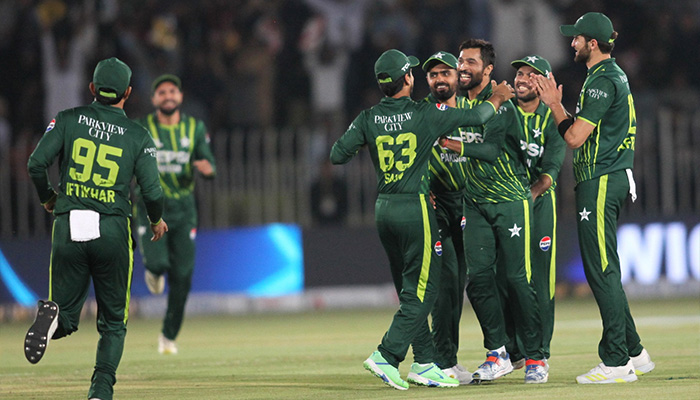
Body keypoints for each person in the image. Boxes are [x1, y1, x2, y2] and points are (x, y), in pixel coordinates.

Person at [330, 48, 513, 390]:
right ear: (409, 79)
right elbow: (479, 117)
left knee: (408, 288)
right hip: (415, 208)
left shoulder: (368, 117)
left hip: (384, 208)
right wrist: (500, 97)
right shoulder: (425, 114)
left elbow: (338, 154)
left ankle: (426, 362)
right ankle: (387, 354)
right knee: (425, 292)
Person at [24, 57, 167, 400]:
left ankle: (52, 315)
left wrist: (48, 197)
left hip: (70, 222)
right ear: (128, 93)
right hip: (113, 230)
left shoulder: (68, 120)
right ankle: (100, 391)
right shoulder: (137, 135)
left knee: (68, 317)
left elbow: (35, 163)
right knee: (114, 323)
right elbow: (152, 190)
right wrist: (156, 219)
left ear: (92, 88)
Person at [533, 12, 655, 384]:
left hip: (601, 179)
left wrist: (554, 104)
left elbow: (573, 138)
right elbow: (582, 129)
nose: (572, 43)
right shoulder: (606, 77)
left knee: (601, 270)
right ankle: (635, 351)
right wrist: (562, 109)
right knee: (605, 268)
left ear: (594, 43)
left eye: (577, 38)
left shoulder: (602, 81)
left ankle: (617, 363)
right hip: (608, 176)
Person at [440, 39, 547, 384]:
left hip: (510, 201)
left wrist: (450, 142)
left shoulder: (501, 103)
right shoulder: (458, 105)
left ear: (487, 70)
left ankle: (535, 358)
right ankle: (497, 353)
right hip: (475, 202)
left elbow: (488, 150)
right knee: (480, 281)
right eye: (460, 61)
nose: (462, 67)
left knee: (518, 281)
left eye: (470, 62)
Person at [134, 74, 216, 355]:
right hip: (150, 207)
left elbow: (209, 160)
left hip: (183, 208)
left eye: (172, 91)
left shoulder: (195, 127)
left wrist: (208, 168)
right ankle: (154, 270)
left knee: (183, 276)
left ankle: (168, 337)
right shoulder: (142, 127)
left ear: (180, 97)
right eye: (162, 92)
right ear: (154, 99)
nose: (168, 95)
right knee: (157, 265)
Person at [504, 55, 565, 372]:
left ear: (545, 82)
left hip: (539, 205)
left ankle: (538, 354)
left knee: (540, 280)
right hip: (505, 206)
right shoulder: (503, 112)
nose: (522, 79)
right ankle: (512, 352)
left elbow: (550, 170)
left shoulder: (554, 118)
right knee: (506, 278)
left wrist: (527, 195)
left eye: (531, 75)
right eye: (519, 74)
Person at [420, 50, 471, 384]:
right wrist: (424, 190)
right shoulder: (420, 113)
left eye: (446, 73)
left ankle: (448, 357)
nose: (440, 79)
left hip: (469, 204)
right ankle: (442, 359)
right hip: (436, 204)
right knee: (446, 285)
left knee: (463, 284)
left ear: (458, 77)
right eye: (434, 74)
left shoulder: (472, 110)